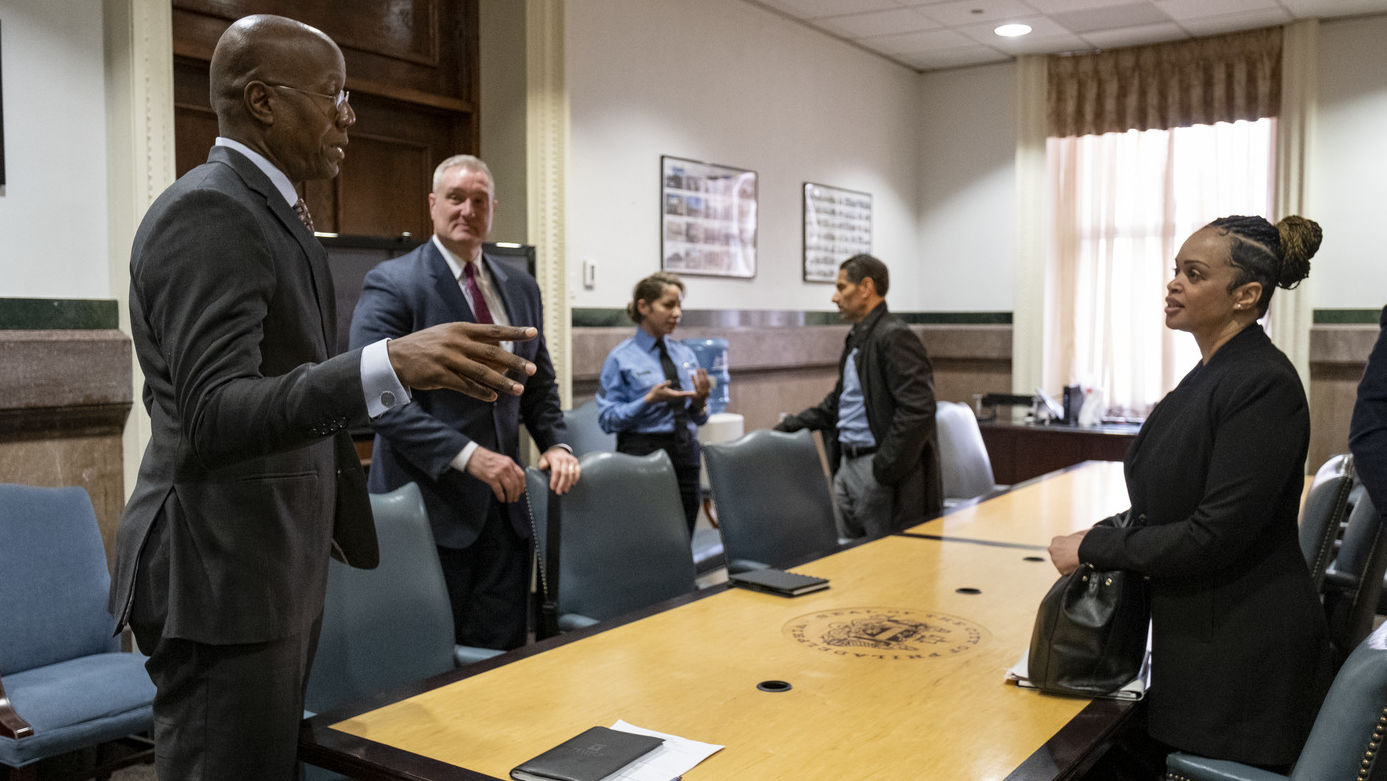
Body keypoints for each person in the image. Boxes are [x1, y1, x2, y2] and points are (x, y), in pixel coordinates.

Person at [107, 16, 539, 779]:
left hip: (269, 565)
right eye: (335, 94)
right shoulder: (209, 210)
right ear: (264, 101)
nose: (350, 115)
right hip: (221, 573)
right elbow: (213, 412)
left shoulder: (274, 210)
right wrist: (389, 362)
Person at [1047, 215, 1335, 770]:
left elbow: (1212, 536)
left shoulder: (1262, 382)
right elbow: (1170, 500)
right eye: (1176, 269)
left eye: (1194, 274)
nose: (1173, 283)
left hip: (1239, 662)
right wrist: (1103, 531)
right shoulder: (1213, 370)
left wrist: (1094, 549)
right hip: (1199, 633)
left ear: (1245, 296)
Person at [350, 154, 578, 652]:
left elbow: (537, 382)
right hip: (428, 508)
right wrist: (467, 455)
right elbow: (376, 397)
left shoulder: (519, 286)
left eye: (479, 201)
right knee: (426, 665)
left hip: (506, 511)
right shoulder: (394, 283)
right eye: (456, 198)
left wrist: (556, 444)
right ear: (433, 205)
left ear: (492, 209)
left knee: (502, 662)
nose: (467, 210)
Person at [774, 254, 941, 537]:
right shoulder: (860, 337)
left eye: (841, 287)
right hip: (848, 464)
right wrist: (791, 425)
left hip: (877, 468)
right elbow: (839, 403)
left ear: (866, 287)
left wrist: (883, 468)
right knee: (846, 561)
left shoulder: (893, 336)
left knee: (883, 563)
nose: (834, 298)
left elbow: (918, 409)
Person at [597, 272, 710, 532]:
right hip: (642, 455)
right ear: (643, 307)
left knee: (684, 536)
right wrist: (648, 400)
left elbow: (700, 417)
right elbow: (607, 420)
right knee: (647, 536)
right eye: (669, 305)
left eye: (680, 305)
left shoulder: (685, 353)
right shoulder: (621, 358)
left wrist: (700, 403)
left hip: (685, 453)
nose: (677, 313)